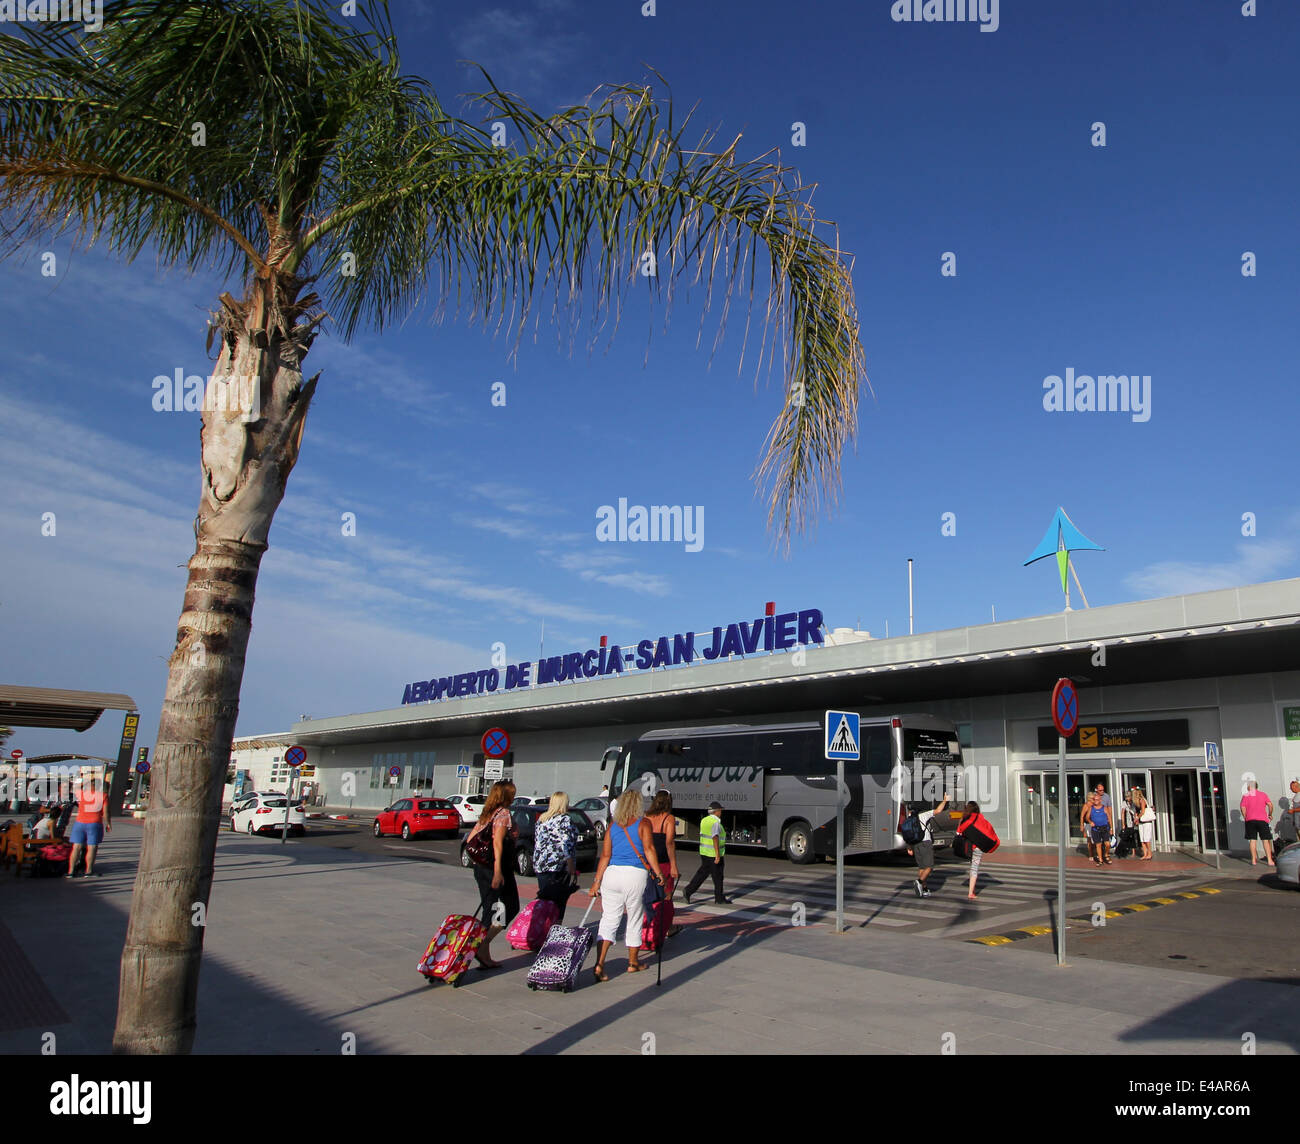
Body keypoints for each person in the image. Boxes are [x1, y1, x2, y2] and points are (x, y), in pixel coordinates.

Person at [589, 788, 664, 981]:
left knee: (609, 920)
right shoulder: (643, 823)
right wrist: (658, 872)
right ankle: (633, 962)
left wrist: (596, 882)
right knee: (634, 918)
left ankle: (599, 964)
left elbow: (605, 856)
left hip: (611, 875)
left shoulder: (613, 826)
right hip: (634, 874)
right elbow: (649, 849)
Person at [464, 780, 520, 968]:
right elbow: (497, 843)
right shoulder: (503, 813)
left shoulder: (488, 813)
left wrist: (478, 860)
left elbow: (471, 839)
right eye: (512, 793)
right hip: (497, 868)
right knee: (509, 906)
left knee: (493, 907)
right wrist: (497, 871)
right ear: (505, 795)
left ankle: (484, 952)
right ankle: (481, 943)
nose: (514, 796)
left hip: (482, 867)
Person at [533, 791, 578, 922]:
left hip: (541, 865)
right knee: (559, 900)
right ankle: (554, 928)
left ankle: (541, 927)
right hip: (558, 866)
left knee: (545, 898)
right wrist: (570, 865)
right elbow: (566, 843)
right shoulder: (565, 819)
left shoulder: (542, 819)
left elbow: (538, 841)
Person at [646, 789, 682, 936]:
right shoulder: (669, 818)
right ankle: (667, 925)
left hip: (648, 862)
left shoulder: (647, 816)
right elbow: (669, 843)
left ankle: (649, 923)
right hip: (663, 862)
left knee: (649, 893)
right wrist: (674, 864)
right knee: (666, 895)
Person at [682, 801, 729, 905]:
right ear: (716, 811)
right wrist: (717, 855)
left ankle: (688, 891)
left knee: (703, 874)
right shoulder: (715, 822)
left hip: (704, 852)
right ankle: (719, 898)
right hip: (713, 854)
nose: (721, 812)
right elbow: (715, 837)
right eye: (720, 810)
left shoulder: (704, 820)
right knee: (718, 876)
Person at [906, 793, 949, 897]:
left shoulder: (910, 816)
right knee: (929, 866)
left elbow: (908, 832)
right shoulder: (924, 814)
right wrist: (944, 801)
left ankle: (924, 889)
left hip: (916, 844)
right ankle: (919, 882)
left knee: (922, 867)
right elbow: (938, 811)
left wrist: (909, 846)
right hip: (925, 843)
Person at [67, 776, 111, 878]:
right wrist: (108, 823)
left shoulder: (82, 794)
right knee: (92, 847)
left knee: (76, 847)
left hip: (79, 823)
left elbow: (73, 788)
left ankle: (71, 872)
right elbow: (105, 813)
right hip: (94, 823)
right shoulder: (103, 796)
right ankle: (88, 871)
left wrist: (84, 784)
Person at [955, 800, 996, 900]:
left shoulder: (964, 819)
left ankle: (971, 892)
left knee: (972, 867)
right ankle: (971, 892)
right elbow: (989, 830)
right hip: (978, 847)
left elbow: (958, 833)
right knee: (974, 868)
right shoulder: (980, 819)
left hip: (967, 847)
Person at [1240, 780, 1274, 867]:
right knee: (1265, 840)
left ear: (1249, 787)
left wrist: (1245, 817)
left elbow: (1242, 807)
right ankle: (1270, 860)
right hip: (1262, 820)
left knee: (1252, 840)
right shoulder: (1263, 794)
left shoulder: (1245, 796)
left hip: (1250, 820)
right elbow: (1270, 805)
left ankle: (1253, 860)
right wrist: (1270, 814)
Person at [1080, 790, 1113, 866]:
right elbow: (1084, 816)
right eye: (1093, 799)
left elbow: (1109, 817)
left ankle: (1105, 854)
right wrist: (1085, 824)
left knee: (1107, 844)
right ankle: (1097, 858)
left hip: (1104, 827)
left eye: (1095, 799)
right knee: (1095, 843)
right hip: (1093, 827)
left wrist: (1111, 828)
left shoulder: (1103, 807)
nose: (1094, 800)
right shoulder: (1089, 806)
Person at [1133, 787, 1155, 860]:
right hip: (1141, 822)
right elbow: (1137, 811)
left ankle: (1149, 853)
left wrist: (1137, 818)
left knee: (1146, 838)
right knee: (1142, 839)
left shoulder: (1142, 800)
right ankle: (1145, 854)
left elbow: (1143, 811)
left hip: (1146, 822)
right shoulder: (1136, 803)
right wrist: (1136, 817)